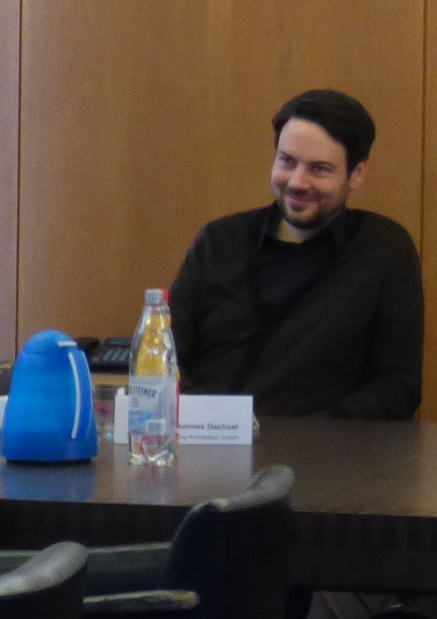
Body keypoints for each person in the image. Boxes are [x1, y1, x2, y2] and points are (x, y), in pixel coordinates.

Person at [169, 89, 423, 420]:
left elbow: (399, 387)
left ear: (356, 174)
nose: (297, 182)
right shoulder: (219, 241)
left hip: (327, 447)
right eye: (287, 162)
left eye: (319, 169)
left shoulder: (384, 250)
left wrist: (313, 431)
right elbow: (166, 358)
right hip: (207, 440)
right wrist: (207, 423)